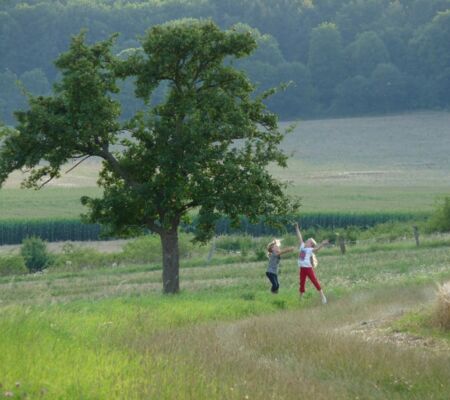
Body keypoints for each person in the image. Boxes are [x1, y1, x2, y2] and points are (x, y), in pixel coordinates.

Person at [294, 222, 328, 304]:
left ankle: (323, 296)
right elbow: (299, 236)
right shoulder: (302, 246)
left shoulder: (310, 250)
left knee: (314, 281)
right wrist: (297, 228)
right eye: (307, 240)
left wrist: (322, 244)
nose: (306, 241)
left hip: (308, 268)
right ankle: (300, 299)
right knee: (302, 283)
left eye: (308, 241)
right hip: (302, 268)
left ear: (311, 244)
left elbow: (316, 249)